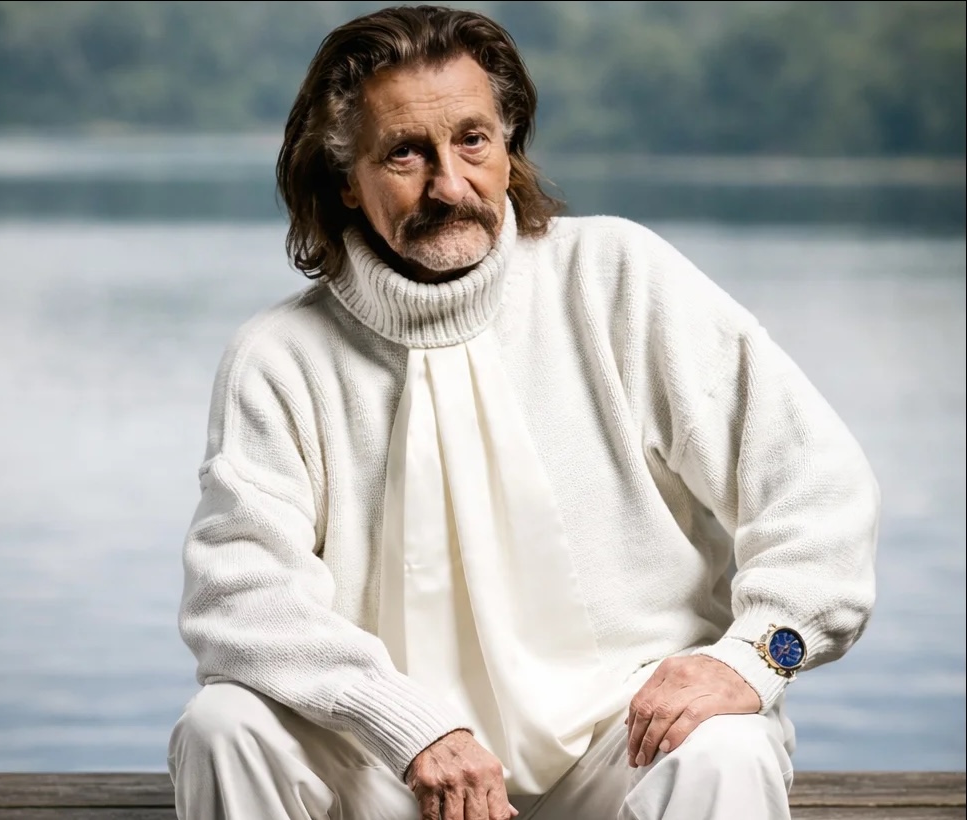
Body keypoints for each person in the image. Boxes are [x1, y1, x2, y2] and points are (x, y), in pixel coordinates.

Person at [166, 5, 880, 820]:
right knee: (224, 725)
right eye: (405, 152)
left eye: (473, 139)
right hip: (394, 773)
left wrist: (755, 657)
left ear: (508, 144)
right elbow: (238, 597)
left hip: (628, 743)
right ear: (344, 183)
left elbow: (817, 491)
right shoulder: (279, 357)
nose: (449, 183)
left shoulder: (620, 278)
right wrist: (412, 730)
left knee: (726, 747)